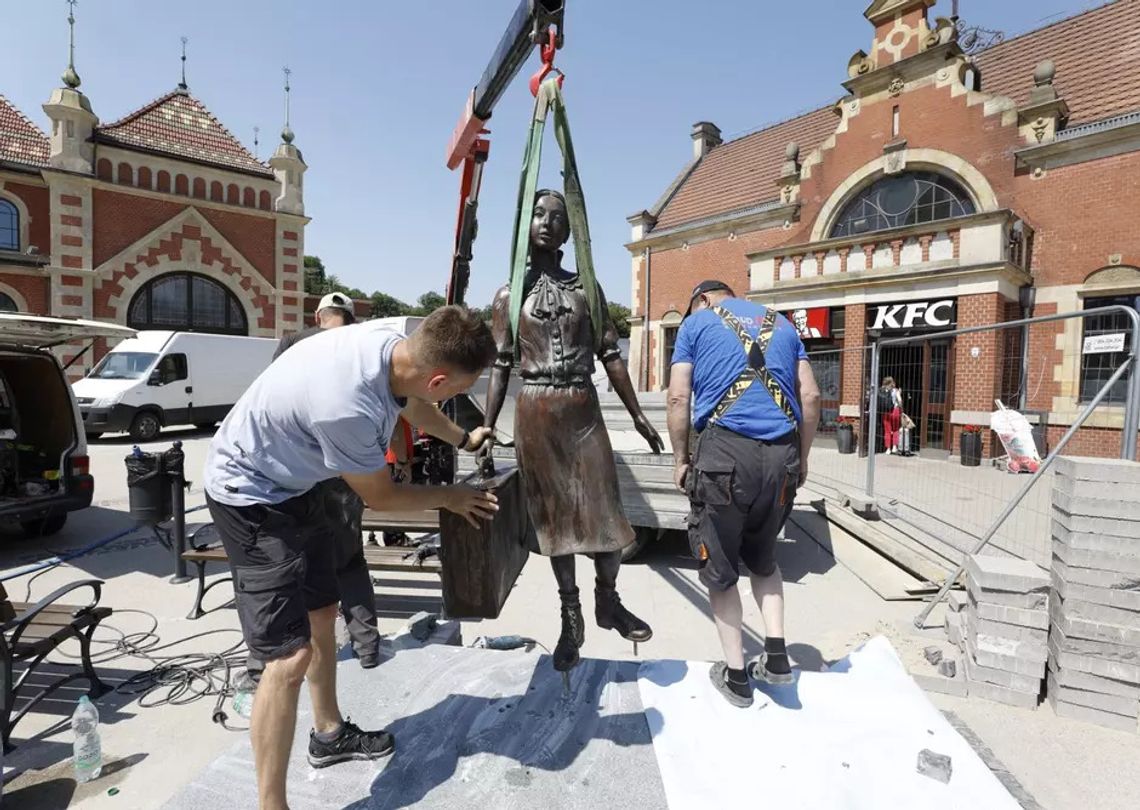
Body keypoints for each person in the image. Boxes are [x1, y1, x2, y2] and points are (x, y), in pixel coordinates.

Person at [203, 306, 499, 810]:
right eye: (457, 390)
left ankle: (328, 733)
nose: (454, 399)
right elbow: (381, 496)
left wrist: (462, 437)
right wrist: (450, 495)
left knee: (323, 611)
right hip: (249, 494)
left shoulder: (392, 344)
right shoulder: (347, 405)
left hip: (299, 482)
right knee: (286, 657)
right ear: (440, 376)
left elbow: (413, 401)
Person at [482, 190, 664, 675]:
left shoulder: (587, 288)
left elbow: (611, 355)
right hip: (536, 412)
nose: (547, 222)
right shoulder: (508, 295)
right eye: (539, 214)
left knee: (607, 519)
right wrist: (484, 426)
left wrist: (640, 415)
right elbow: (501, 366)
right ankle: (571, 614)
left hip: (583, 409)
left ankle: (608, 599)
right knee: (557, 525)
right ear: (526, 225)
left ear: (569, 229)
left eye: (557, 217)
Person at [666, 280, 821, 707]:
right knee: (764, 558)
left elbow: (679, 397)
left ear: (701, 300)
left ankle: (736, 677)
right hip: (781, 459)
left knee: (720, 570)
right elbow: (810, 396)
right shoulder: (784, 326)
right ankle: (776, 659)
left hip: (723, 457)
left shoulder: (697, 324)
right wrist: (802, 459)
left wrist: (681, 459)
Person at [878, 376, 903, 455]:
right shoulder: (895, 391)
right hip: (895, 411)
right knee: (895, 429)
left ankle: (888, 448)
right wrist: (901, 408)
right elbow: (900, 400)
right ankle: (894, 447)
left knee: (887, 431)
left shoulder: (882, 390)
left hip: (886, 412)